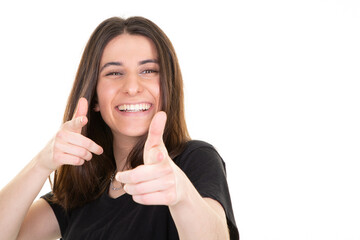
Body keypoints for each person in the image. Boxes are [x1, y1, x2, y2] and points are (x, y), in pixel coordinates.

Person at [0, 16, 239, 239]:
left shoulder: (194, 159)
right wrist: (41, 164)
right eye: (114, 73)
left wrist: (183, 197)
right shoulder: (84, 190)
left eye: (148, 71)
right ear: (94, 97)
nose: (132, 87)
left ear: (168, 88)